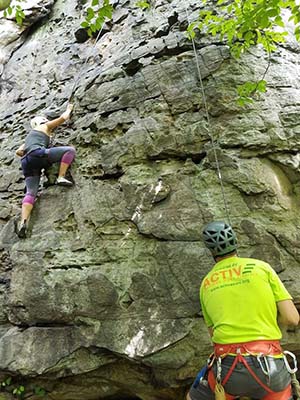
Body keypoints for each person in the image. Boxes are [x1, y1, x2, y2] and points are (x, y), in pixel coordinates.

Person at [187, 221, 299, 400]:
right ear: (235, 241)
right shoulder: (261, 268)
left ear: (211, 251)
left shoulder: (206, 284)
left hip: (228, 371)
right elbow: (292, 318)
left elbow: (213, 334)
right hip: (271, 367)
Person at [15, 103, 76, 239]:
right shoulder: (44, 126)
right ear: (42, 121)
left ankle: (23, 222)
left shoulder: (30, 136)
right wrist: (69, 109)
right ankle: (61, 176)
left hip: (26, 161)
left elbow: (18, 151)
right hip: (37, 153)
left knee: (31, 192)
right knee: (70, 151)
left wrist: (33, 157)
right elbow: (63, 118)